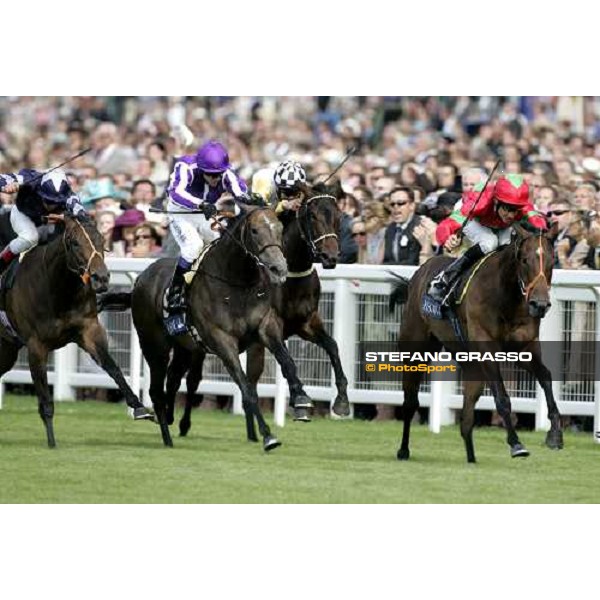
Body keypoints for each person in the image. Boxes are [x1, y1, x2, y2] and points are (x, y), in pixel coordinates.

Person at [165, 140, 249, 331]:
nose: (215, 179)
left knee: (222, 243)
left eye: (218, 175)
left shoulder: (225, 171)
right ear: (201, 168)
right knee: (193, 246)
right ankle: (174, 299)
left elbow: (239, 188)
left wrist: (247, 197)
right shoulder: (185, 165)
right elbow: (175, 192)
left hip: (204, 213)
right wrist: (201, 204)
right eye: (210, 175)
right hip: (181, 212)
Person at [429, 174, 547, 303]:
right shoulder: (480, 203)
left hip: (497, 222)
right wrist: (447, 238)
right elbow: (447, 224)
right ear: (496, 202)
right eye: (508, 209)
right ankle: (446, 276)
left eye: (516, 210)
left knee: (506, 245)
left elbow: (538, 221)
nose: (511, 215)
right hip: (474, 218)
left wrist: (542, 229)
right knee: (489, 242)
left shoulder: (520, 205)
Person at [0, 168, 87, 276]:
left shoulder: (70, 196)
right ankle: (2, 261)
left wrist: (63, 217)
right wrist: (7, 186)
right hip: (23, 214)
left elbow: (82, 217)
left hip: (46, 223)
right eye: (48, 200)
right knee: (29, 238)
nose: (51, 206)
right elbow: (2, 179)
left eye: (56, 202)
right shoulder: (30, 179)